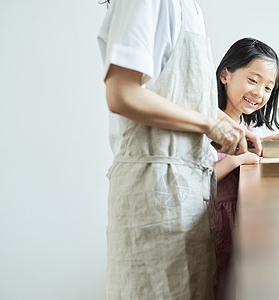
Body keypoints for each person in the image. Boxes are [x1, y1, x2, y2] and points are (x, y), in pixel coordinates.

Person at [97, 1, 261, 299]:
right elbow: (121, 93)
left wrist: (242, 132)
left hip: (184, 195)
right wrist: (209, 124)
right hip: (153, 190)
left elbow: (182, 99)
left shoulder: (189, 8)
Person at [208, 37, 279, 300]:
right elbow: (202, 176)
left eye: (268, 87)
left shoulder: (243, 124)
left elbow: (240, 147)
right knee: (219, 282)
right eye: (253, 80)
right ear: (224, 75)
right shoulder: (208, 121)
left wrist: (276, 139)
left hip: (237, 214)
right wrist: (237, 161)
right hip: (215, 219)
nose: (259, 93)